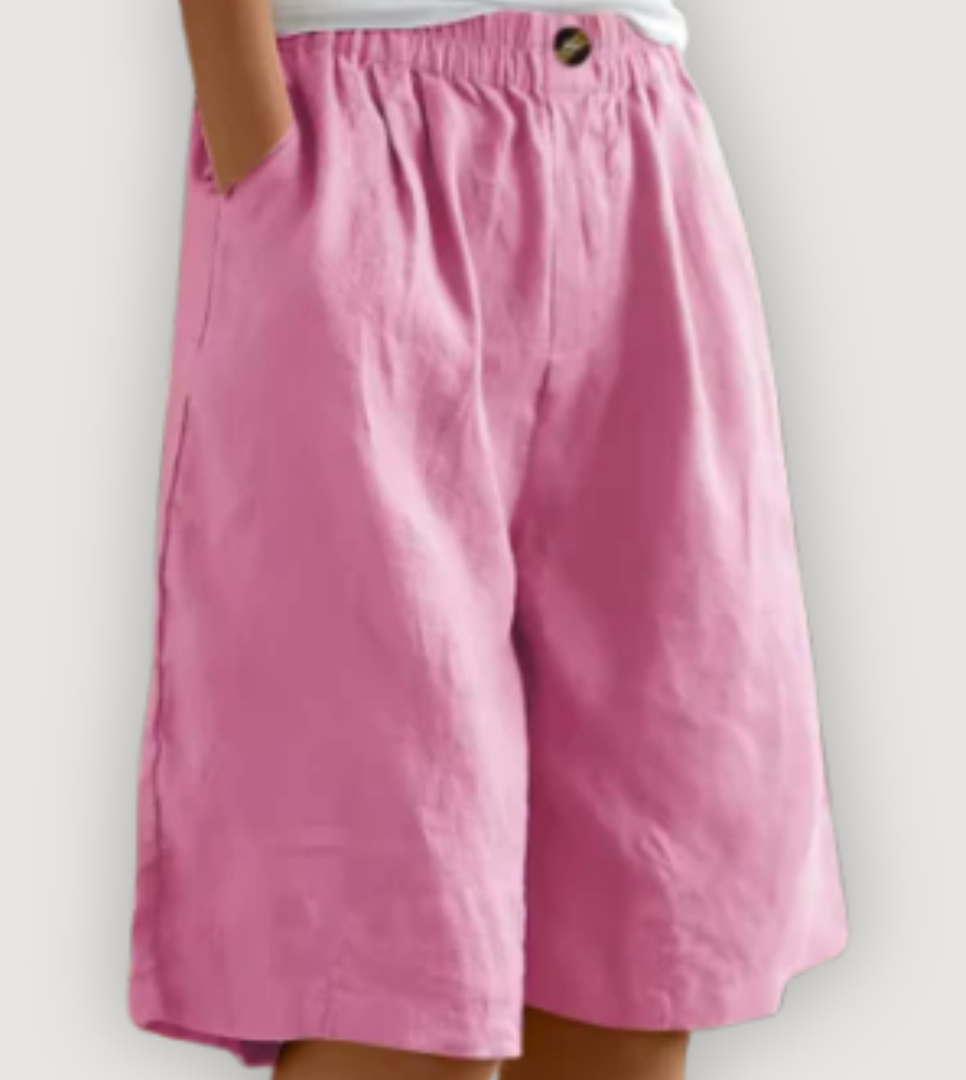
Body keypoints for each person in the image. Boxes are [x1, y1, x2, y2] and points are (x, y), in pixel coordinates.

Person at [126, 1, 850, 1077]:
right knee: (383, 939)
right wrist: (258, 142)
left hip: (636, 142)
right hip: (357, 142)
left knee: (640, 938)